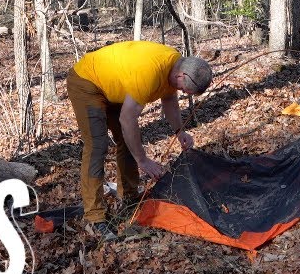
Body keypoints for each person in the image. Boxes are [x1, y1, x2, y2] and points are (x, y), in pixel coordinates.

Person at [66, 41, 213, 241]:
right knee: (97, 145)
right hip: (87, 82)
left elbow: (169, 100)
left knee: (128, 141)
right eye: (185, 90)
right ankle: (94, 215)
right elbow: (128, 119)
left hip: (112, 86)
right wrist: (142, 160)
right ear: (182, 76)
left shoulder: (174, 65)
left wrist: (180, 131)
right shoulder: (150, 73)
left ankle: (129, 196)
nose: (184, 94)